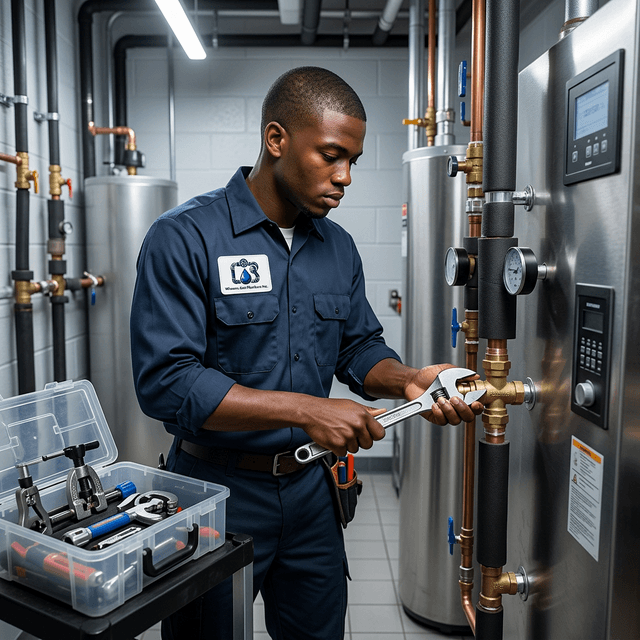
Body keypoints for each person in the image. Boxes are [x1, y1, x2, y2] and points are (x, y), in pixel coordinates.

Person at [130, 66, 483, 640]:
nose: (345, 177)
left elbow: (359, 347)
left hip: (310, 494)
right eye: (331, 155)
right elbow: (167, 384)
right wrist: (307, 410)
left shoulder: (336, 246)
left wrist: (411, 379)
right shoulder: (185, 237)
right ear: (276, 140)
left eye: (353, 161)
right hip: (217, 492)